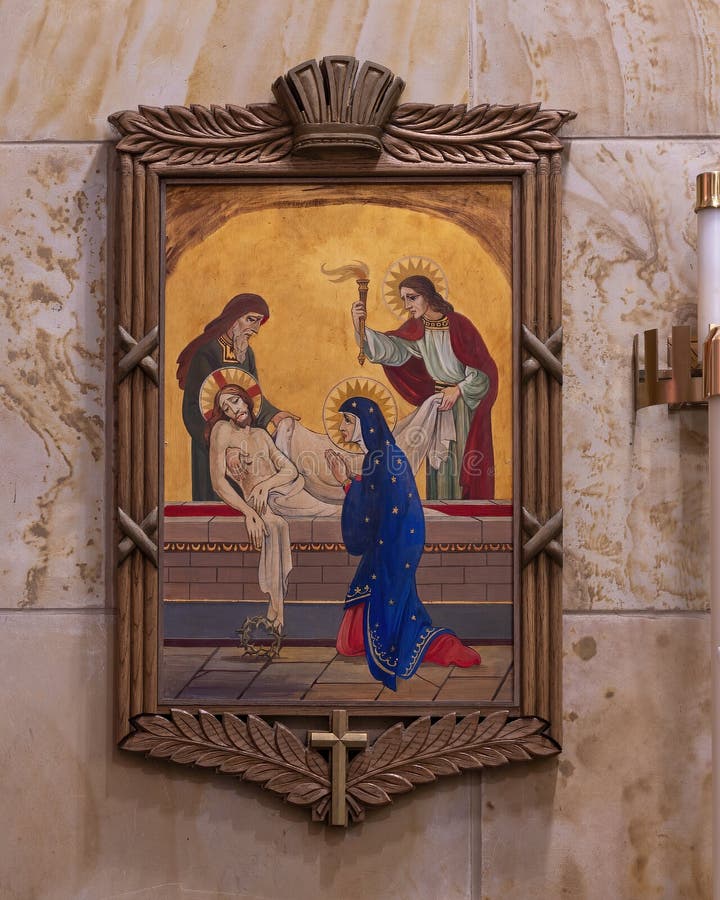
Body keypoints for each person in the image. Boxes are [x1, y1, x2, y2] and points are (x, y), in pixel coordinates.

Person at [325, 395, 480, 690]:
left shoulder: (383, 458)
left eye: (347, 420)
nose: (341, 427)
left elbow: (376, 506)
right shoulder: (381, 457)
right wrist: (349, 479)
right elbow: (376, 498)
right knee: (351, 641)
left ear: (365, 424)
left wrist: (345, 482)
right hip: (389, 545)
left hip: (392, 548)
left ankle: (442, 645)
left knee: (394, 627)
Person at [351, 275, 498, 500]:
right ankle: (442, 515)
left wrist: (458, 389)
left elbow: (484, 372)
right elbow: (393, 350)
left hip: (462, 407)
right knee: (438, 469)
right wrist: (360, 326)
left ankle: (462, 517)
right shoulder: (418, 328)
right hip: (438, 406)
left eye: (412, 298)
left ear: (428, 296)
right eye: (404, 300)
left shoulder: (459, 325)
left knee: (460, 464)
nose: (407, 305)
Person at [207, 385, 335, 629]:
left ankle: (276, 608)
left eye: (235, 401)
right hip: (260, 503)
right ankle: (277, 607)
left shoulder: (261, 435)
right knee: (275, 525)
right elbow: (218, 482)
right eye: (226, 408)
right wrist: (249, 513)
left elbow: (289, 470)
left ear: (246, 401)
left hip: (285, 493)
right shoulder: (221, 431)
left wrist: (265, 485)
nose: (233, 409)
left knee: (333, 510)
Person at [176, 293, 295, 500]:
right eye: (251, 319)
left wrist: (273, 415)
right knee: (215, 509)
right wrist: (223, 446)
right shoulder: (207, 353)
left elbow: (252, 396)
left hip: (244, 442)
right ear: (234, 318)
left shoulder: (245, 353)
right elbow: (193, 409)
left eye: (259, 322)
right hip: (213, 445)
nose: (256, 329)